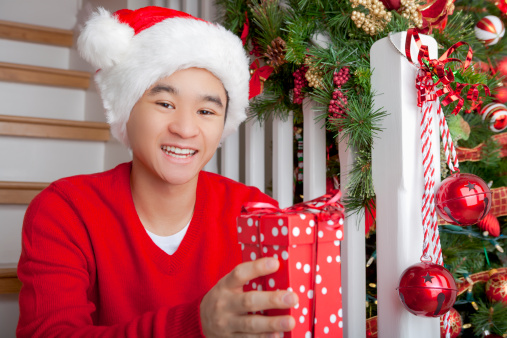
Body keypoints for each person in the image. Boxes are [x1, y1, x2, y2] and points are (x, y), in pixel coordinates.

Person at [16, 6, 298, 337]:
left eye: (206, 110)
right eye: (165, 103)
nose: (185, 128)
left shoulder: (253, 212)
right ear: (127, 108)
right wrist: (196, 324)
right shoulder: (64, 211)